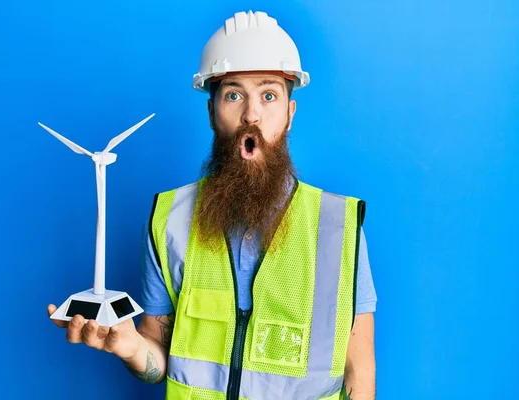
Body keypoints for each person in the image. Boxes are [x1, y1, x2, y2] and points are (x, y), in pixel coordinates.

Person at [48, 10, 377, 400]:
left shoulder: (337, 226)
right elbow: (159, 359)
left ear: (289, 114)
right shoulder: (169, 220)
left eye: (268, 95)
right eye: (233, 94)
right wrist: (132, 347)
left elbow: (358, 369)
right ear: (211, 112)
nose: (251, 114)